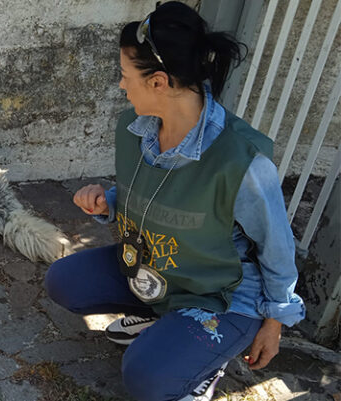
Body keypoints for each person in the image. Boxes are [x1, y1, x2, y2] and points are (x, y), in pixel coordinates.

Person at [44, 2, 305, 401]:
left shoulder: (242, 163)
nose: (120, 85)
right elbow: (160, 199)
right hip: (161, 269)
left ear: (159, 82)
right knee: (64, 281)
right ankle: (166, 327)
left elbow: (277, 248)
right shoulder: (133, 129)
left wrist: (275, 321)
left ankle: (199, 365)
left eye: (125, 75)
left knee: (146, 379)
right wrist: (109, 202)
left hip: (223, 295)